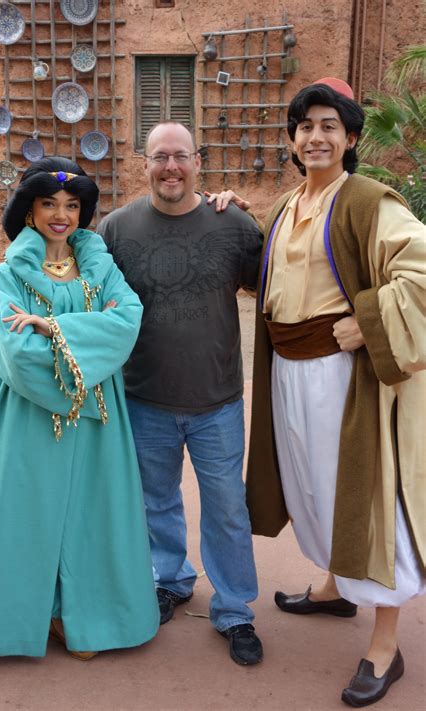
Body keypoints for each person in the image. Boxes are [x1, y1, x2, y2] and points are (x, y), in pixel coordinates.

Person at [208, 78, 425, 705]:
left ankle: (386, 642)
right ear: (294, 140)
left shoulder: (368, 202)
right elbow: (263, 276)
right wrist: (228, 214)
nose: (316, 136)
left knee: (364, 495)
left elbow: (420, 270)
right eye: (306, 127)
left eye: (330, 125)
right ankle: (334, 587)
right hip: (290, 371)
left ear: (351, 138)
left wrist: (373, 318)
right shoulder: (285, 206)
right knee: (315, 485)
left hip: (344, 374)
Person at [0, 157, 159, 659]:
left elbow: (127, 320)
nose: (61, 214)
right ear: (29, 212)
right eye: (49, 203)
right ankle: (4, 619)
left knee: (91, 513)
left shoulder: (102, 268)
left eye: (72, 204)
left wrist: (54, 327)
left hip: (97, 420)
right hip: (29, 415)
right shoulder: (7, 277)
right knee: (20, 513)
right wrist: (86, 350)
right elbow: (15, 355)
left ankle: (82, 617)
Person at [97, 121, 264, 665]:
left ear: (198, 161)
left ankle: (235, 610)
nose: (170, 167)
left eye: (180, 157)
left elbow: (270, 279)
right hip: (144, 397)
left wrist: (251, 211)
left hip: (216, 400)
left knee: (227, 509)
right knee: (155, 503)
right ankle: (170, 580)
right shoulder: (116, 230)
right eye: (159, 157)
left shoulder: (233, 223)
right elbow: (86, 294)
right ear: (143, 163)